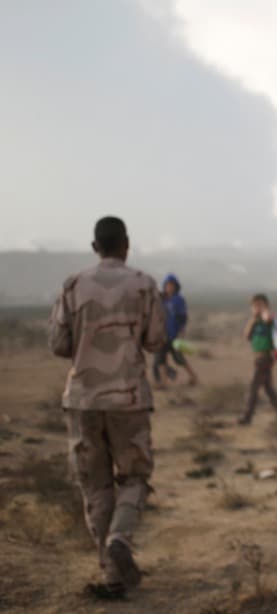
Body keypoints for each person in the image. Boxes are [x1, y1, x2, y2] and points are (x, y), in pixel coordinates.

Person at [48, 216, 166, 599]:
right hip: (129, 399)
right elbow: (154, 340)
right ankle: (120, 537)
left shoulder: (73, 285)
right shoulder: (144, 285)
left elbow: (58, 344)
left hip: (83, 399)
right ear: (126, 245)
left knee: (95, 485)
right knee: (134, 477)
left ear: (95, 247)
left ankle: (112, 574)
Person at [238, 293, 277, 425]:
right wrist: (253, 319)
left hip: (265, 357)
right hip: (258, 356)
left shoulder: (268, 319)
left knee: (253, 387)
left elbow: (269, 318)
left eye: (260, 305)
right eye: (254, 306)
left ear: (266, 306)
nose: (257, 308)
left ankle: (247, 417)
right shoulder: (255, 322)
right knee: (269, 388)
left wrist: (264, 313)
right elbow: (246, 336)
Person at [152, 273, 198, 387]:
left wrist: (181, 330)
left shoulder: (178, 300)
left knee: (179, 358)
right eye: (167, 285)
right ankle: (164, 382)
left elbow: (183, 317)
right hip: (162, 335)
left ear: (176, 286)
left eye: (172, 285)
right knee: (160, 358)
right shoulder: (162, 299)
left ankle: (193, 377)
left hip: (174, 334)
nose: (169, 287)